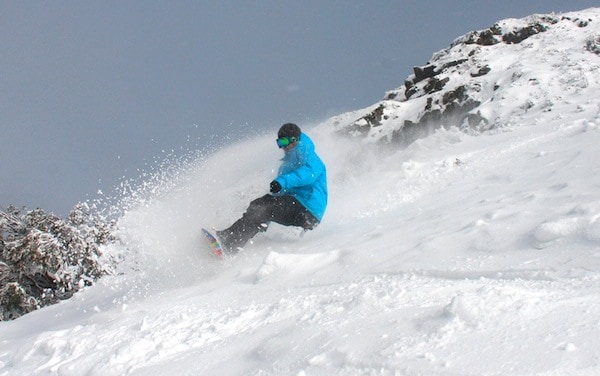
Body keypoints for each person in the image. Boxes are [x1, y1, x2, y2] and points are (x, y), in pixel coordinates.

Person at [216, 123, 327, 253]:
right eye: (279, 142)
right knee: (259, 205)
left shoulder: (308, 155)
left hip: (308, 208)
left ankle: (229, 244)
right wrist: (263, 216)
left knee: (263, 207)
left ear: (294, 140)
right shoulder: (288, 163)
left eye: (284, 141)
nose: (282, 146)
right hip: (299, 204)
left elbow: (308, 174)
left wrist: (282, 181)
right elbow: (279, 197)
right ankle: (228, 237)